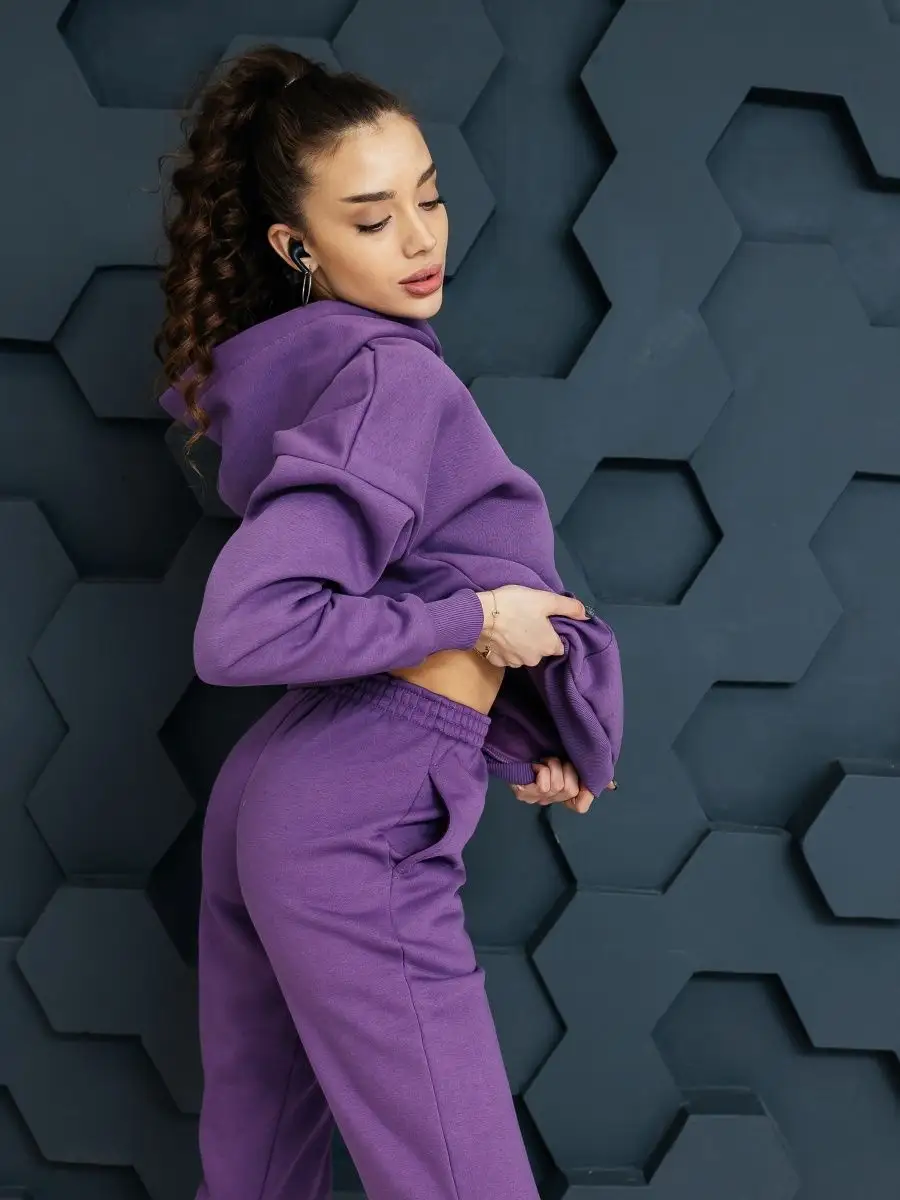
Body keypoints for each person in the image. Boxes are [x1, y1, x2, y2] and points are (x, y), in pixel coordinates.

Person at [153, 44, 624, 1200]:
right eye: (371, 219)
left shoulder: (340, 375)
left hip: (292, 787)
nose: (419, 241)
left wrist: (515, 726)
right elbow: (246, 630)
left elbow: (419, 602)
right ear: (296, 247)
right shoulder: (392, 379)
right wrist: (475, 617)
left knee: (257, 1173)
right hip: (359, 809)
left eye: (429, 198)